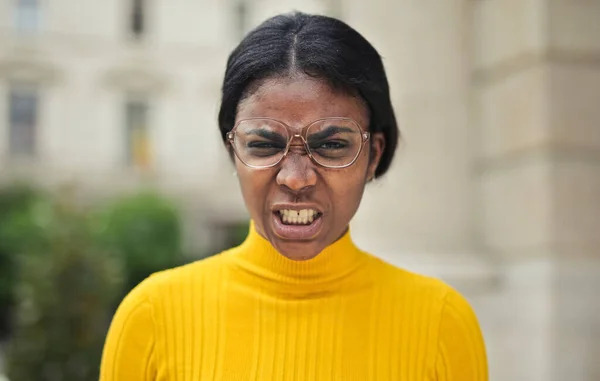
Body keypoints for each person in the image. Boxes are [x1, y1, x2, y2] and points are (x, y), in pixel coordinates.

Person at [100, 11, 488, 381]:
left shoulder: (440, 322)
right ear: (232, 151)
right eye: (265, 145)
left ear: (374, 155)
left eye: (333, 144)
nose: (296, 178)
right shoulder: (151, 316)